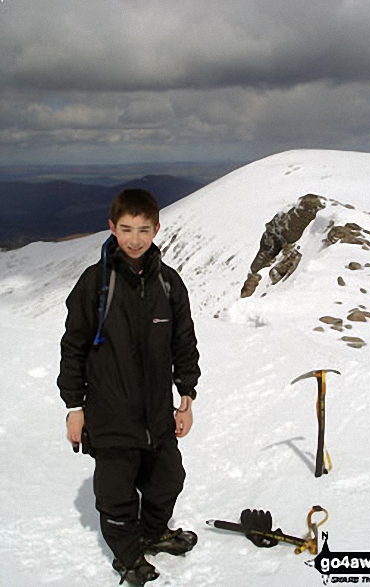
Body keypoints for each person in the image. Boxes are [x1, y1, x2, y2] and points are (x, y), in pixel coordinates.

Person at [57, 188, 201, 585]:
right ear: (112, 228)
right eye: (125, 229)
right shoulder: (96, 284)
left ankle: (153, 533)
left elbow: (183, 343)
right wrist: (75, 407)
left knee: (169, 479)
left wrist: (185, 397)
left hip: (156, 413)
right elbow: (74, 346)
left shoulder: (169, 284)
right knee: (117, 495)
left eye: (143, 229)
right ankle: (128, 556)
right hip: (110, 413)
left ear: (156, 229)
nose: (134, 239)